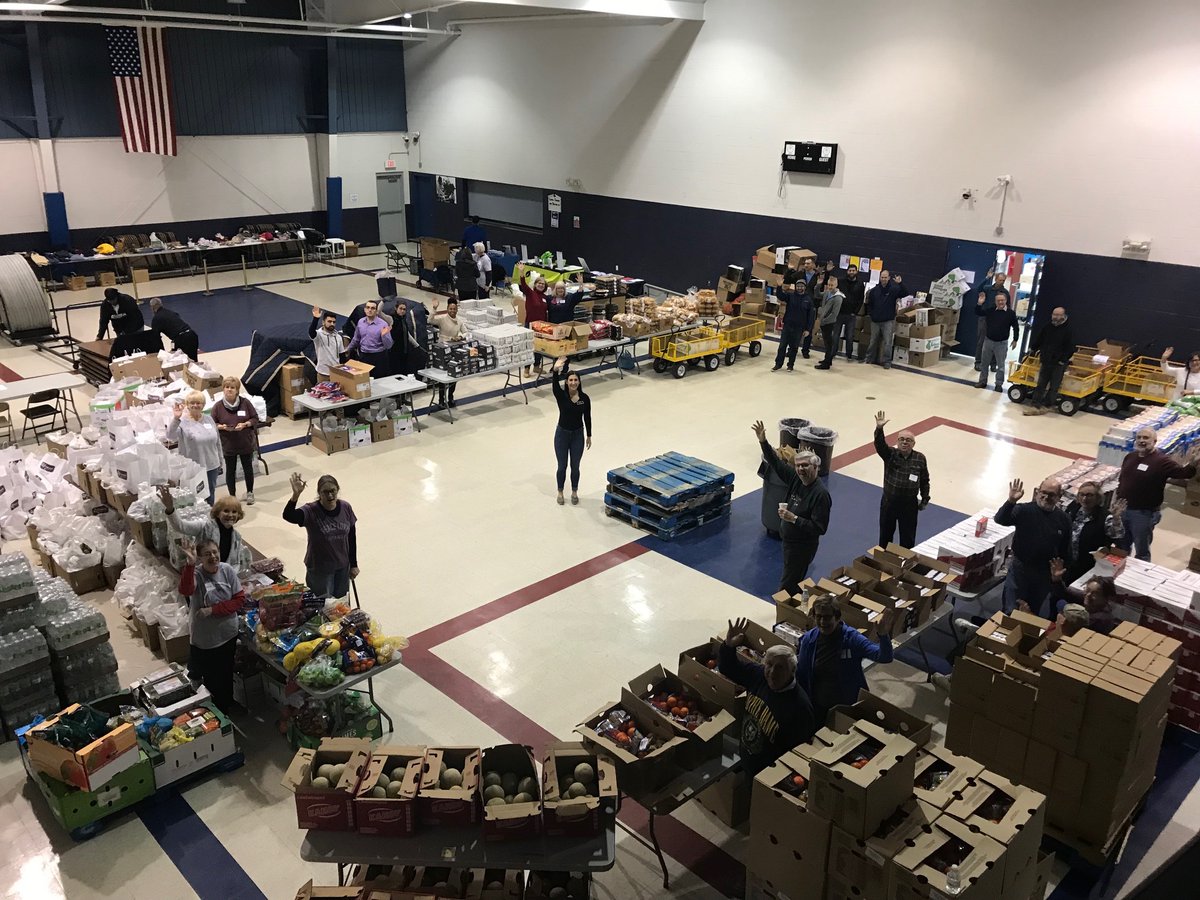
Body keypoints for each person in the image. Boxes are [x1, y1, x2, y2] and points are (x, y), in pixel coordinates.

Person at [718, 617, 816, 775]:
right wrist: (728, 645)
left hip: (767, 773)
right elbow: (728, 668)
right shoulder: (758, 675)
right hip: (746, 754)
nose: (772, 673)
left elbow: (799, 751)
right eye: (769, 665)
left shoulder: (800, 707)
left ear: (792, 672)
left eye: (780, 668)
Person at [753, 420, 832, 594]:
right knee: (792, 579)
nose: (800, 469)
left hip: (802, 547)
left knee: (788, 585)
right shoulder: (796, 479)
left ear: (816, 467)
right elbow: (776, 463)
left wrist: (793, 519)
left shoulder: (820, 495)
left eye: (805, 465)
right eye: (797, 465)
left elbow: (820, 527)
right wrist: (763, 441)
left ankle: (785, 613)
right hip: (789, 542)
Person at [796, 596, 895, 723]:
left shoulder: (852, 638)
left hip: (847, 707)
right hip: (818, 706)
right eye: (818, 616)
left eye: (827, 617)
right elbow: (802, 674)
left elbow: (884, 657)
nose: (822, 622)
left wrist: (883, 636)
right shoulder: (809, 640)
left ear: (837, 617)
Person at [178, 538, 244, 713]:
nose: (213, 557)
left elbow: (238, 600)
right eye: (207, 554)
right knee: (211, 677)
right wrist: (190, 564)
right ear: (199, 558)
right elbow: (185, 590)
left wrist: (212, 610)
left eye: (215, 552)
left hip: (228, 634)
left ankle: (227, 703)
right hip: (206, 639)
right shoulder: (196, 574)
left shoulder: (227, 570)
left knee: (226, 671)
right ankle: (215, 709)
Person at [1116, 428, 1199, 560]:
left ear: (1154, 441)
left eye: (1146, 438)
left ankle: (1138, 576)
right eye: (1139, 437)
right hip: (1122, 510)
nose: (1142, 441)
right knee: (1121, 547)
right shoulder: (1130, 457)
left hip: (1143, 513)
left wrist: (1194, 462)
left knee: (1141, 549)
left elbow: (1183, 473)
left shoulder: (1161, 461)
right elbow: (1122, 480)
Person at [994, 477, 1070, 615]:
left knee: (1032, 611)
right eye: (1043, 492)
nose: (1046, 497)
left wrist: (1059, 577)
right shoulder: (1024, 510)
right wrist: (1011, 501)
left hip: (1044, 574)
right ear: (1037, 492)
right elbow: (1000, 519)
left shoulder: (1064, 519)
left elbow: (1065, 550)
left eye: (1051, 495)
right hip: (1020, 569)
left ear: (1059, 497)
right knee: (1012, 609)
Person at [283, 472, 359, 598]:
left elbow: (351, 537)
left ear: (337, 490)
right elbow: (288, 515)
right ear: (319, 493)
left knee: (341, 607)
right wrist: (295, 495)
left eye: (333, 491)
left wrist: (354, 564)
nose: (330, 495)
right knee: (322, 606)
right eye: (325, 492)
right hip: (320, 570)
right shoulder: (311, 511)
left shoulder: (346, 507)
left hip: (342, 566)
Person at [873, 410, 930, 548]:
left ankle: (905, 564)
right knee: (885, 535)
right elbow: (879, 445)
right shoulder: (890, 454)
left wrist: (925, 498)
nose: (905, 442)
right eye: (902, 439)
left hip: (909, 505)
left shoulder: (920, 458)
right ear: (897, 442)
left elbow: (924, 480)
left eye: (908, 440)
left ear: (913, 444)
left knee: (908, 537)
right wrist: (879, 429)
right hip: (889, 502)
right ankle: (883, 562)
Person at [159, 486, 249, 569]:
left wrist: (228, 576)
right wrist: (170, 508)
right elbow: (180, 526)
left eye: (234, 512)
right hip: (202, 575)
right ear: (217, 513)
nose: (230, 515)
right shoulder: (204, 526)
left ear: (238, 515)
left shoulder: (236, 537)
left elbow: (235, 563)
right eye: (226, 511)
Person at [209, 376, 260, 504]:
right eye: (227, 387)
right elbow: (211, 423)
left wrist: (245, 424)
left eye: (232, 387)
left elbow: (255, 418)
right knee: (230, 471)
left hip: (245, 443)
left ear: (237, 390)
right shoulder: (218, 407)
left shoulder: (245, 403)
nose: (229, 390)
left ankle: (250, 493)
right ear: (223, 389)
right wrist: (221, 427)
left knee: (247, 468)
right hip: (228, 444)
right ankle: (232, 496)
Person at [1063, 482, 1125, 582]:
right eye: (1081, 494)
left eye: (1089, 495)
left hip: (1090, 566)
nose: (1085, 498)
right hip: (1068, 563)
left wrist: (1116, 518)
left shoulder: (1104, 516)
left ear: (1097, 498)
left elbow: (1117, 535)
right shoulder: (1073, 509)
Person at [168, 391, 222, 505]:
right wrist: (176, 418)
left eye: (199, 402)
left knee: (210, 494)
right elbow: (170, 436)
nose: (195, 405)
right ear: (187, 405)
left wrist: (220, 460)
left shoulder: (209, 419)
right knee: (195, 496)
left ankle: (210, 519)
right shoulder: (182, 422)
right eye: (192, 403)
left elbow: (217, 441)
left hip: (212, 465)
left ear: (203, 405)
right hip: (193, 468)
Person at [551, 357, 592, 506]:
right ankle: (560, 491)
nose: (573, 383)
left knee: (575, 466)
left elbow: (587, 416)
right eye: (570, 380)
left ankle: (574, 491)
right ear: (566, 382)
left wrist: (589, 435)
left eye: (576, 380)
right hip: (562, 435)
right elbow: (554, 385)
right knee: (562, 466)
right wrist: (555, 371)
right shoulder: (561, 396)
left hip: (577, 436)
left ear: (579, 382)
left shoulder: (585, 399)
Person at [1024, 307, 1075, 416]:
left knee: (1054, 386)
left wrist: (1062, 360)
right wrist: (1032, 348)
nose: (1056, 317)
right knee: (1041, 384)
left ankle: (1047, 405)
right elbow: (1039, 339)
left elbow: (1070, 348)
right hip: (1046, 360)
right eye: (1054, 314)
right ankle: (1035, 405)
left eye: (1058, 315)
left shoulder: (1068, 330)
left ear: (1063, 316)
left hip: (1058, 363)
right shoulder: (1048, 327)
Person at [973, 289, 1018, 391]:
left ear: (1006, 300)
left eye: (1002, 300)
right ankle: (982, 381)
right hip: (988, 341)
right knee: (984, 363)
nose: (1000, 302)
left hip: (1001, 343)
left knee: (1000, 365)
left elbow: (1016, 326)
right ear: (995, 301)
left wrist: (1015, 339)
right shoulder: (991, 310)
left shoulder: (1010, 313)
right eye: (998, 301)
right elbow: (978, 312)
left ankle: (999, 384)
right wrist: (979, 303)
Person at [430, 298, 467, 408]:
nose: (452, 310)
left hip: (454, 349)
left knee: (454, 374)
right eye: (450, 308)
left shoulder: (460, 321)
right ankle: (441, 399)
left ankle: (450, 397)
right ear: (447, 309)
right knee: (442, 376)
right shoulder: (442, 320)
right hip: (442, 349)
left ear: (457, 310)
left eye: (454, 309)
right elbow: (430, 320)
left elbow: (466, 332)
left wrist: (460, 337)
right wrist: (434, 308)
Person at [863, 271, 904, 368]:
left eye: (885, 277)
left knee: (887, 342)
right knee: (873, 341)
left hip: (888, 321)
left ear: (889, 278)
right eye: (882, 277)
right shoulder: (874, 290)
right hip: (875, 321)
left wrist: (900, 283)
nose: (884, 279)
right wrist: (871, 314)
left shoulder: (893, 290)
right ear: (880, 277)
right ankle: (869, 358)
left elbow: (904, 293)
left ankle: (887, 362)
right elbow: (869, 304)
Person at [972, 269, 1010, 372]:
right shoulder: (988, 289)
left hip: (997, 320)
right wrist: (987, 277)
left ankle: (993, 364)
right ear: (996, 279)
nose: (1001, 282)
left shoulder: (1005, 293)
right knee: (981, 341)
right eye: (1000, 280)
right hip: (985, 318)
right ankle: (978, 362)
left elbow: (1008, 307)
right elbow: (979, 288)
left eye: (1003, 280)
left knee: (996, 342)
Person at [772, 280, 813, 372]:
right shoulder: (790, 296)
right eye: (798, 286)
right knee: (782, 346)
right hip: (787, 325)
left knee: (794, 347)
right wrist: (779, 286)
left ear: (805, 287)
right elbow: (780, 296)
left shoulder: (808, 300)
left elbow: (810, 317)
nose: (799, 288)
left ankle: (790, 365)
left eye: (802, 286)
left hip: (799, 328)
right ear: (795, 287)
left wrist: (808, 329)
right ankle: (778, 364)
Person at [346, 299, 393, 377]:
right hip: (364, 356)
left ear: (376, 310)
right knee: (364, 379)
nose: (370, 310)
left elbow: (389, 346)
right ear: (365, 310)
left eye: (372, 308)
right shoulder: (360, 322)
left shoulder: (383, 324)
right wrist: (348, 349)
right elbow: (356, 338)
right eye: (368, 307)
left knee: (378, 381)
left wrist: (384, 336)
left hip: (378, 357)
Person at [518, 267, 550, 375]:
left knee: (540, 348)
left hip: (542, 326)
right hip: (530, 324)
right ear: (535, 284)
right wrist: (521, 272)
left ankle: (536, 366)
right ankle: (526, 368)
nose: (541, 285)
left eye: (543, 284)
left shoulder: (546, 297)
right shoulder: (530, 293)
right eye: (539, 283)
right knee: (529, 347)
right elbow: (523, 284)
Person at [837, 264, 866, 361]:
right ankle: (832, 353)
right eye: (850, 270)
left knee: (849, 336)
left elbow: (861, 299)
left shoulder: (860, 284)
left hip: (851, 314)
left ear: (856, 272)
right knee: (835, 335)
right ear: (847, 271)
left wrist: (855, 311)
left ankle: (849, 355)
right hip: (840, 313)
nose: (851, 272)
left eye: (853, 270)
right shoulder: (840, 281)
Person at [814, 276, 844, 370]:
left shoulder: (838, 298)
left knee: (829, 343)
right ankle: (828, 360)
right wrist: (818, 285)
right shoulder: (827, 293)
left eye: (832, 285)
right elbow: (817, 295)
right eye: (829, 285)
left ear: (836, 285)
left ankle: (826, 363)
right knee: (827, 343)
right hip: (823, 321)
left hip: (829, 323)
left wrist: (824, 321)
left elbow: (834, 314)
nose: (830, 287)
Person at [310, 307, 344, 379]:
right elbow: (311, 333)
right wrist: (315, 319)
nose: (332, 324)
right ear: (323, 322)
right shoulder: (318, 335)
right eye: (329, 321)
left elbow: (342, 355)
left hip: (336, 373)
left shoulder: (338, 337)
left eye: (334, 322)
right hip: (323, 374)